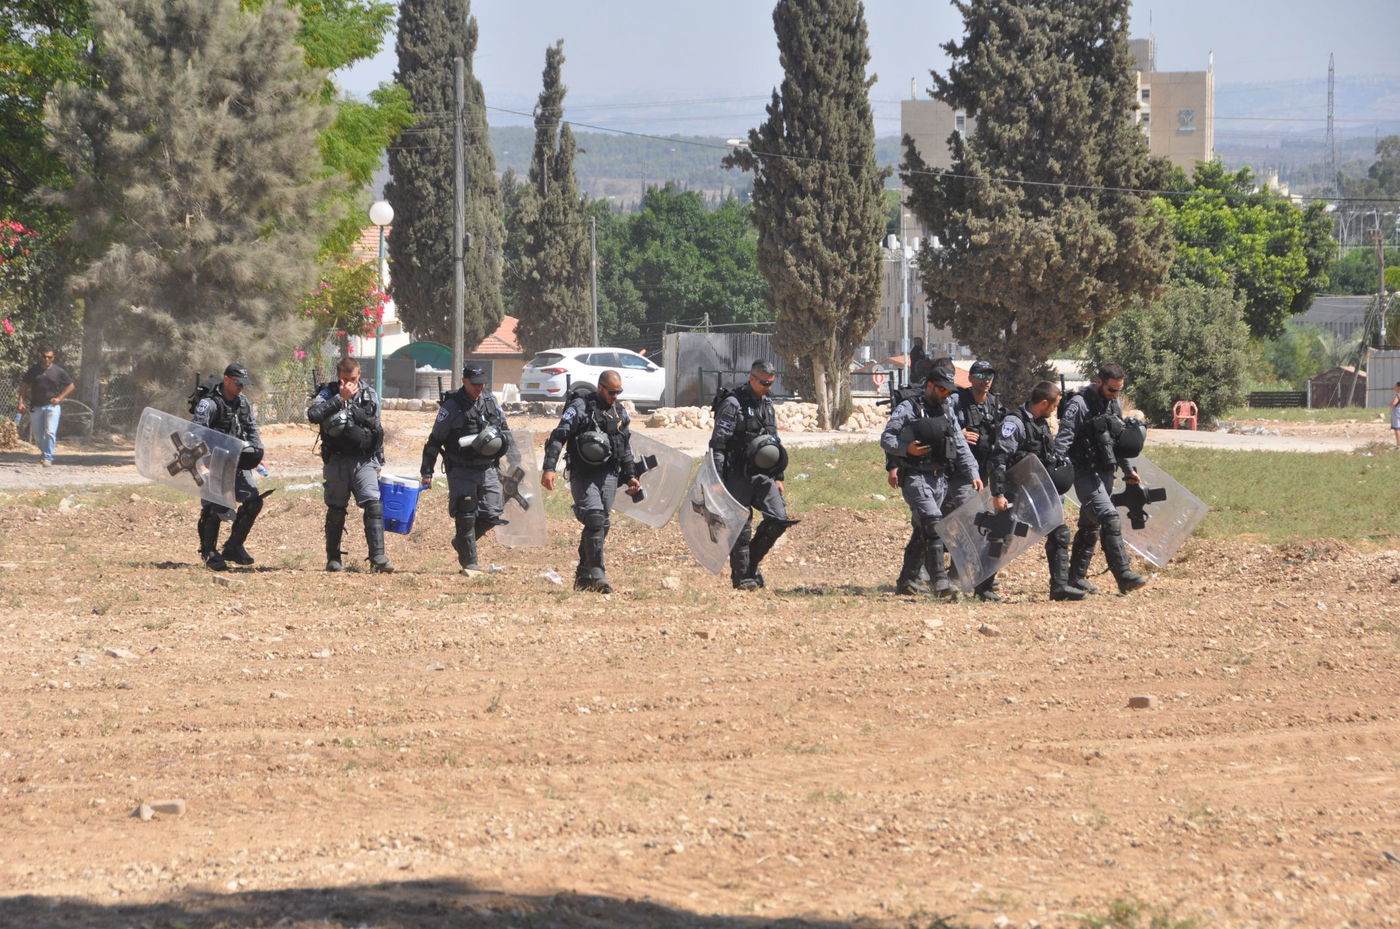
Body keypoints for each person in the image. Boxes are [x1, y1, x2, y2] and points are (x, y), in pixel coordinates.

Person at [881, 365, 981, 599]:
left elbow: (959, 443)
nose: (946, 395)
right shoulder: (909, 408)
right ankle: (940, 584)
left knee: (922, 530)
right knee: (934, 525)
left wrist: (973, 473)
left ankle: (906, 581)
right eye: (942, 390)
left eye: (949, 391)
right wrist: (907, 449)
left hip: (940, 480)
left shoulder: (946, 410)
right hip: (916, 477)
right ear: (930, 386)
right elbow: (887, 438)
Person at [1053, 361, 1148, 594]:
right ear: (1098, 382)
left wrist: (1128, 470)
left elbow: (1118, 441)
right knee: (1110, 517)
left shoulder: (1113, 404)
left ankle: (1075, 578)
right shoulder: (1079, 404)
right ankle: (1123, 575)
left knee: (1090, 524)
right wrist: (1055, 472)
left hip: (1106, 471)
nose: (1115, 394)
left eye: (1119, 390)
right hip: (1085, 473)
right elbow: (1064, 440)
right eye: (1111, 389)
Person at [541, 369, 639, 593]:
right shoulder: (580, 407)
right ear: (600, 387)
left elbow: (625, 448)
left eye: (618, 392)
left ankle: (583, 575)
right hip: (583, 473)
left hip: (609, 474)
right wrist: (549, 468)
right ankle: (598, 575)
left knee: (601, 524)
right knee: (594, 519)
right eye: (611, 392)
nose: (615, 396)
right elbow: (559, 437)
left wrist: (631, 475)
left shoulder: (619, 412)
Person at [988, 380, 1085, 601]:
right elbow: (999, 459)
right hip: (1013, 491)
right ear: (1043, 402)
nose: (1055, 410)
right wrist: (998, 493)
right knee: (1001, 536)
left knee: (1059, 532)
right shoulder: (1014, 423)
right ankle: (983, 586)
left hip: (1036, 491)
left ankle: (1059, 587)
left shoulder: (1040, 423)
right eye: (1054, 405)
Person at [709, 360, 798, 591]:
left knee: (778, 519)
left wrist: (779, 477)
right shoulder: (732, 403)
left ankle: (751, 565)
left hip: (762, 474)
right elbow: (718, 445)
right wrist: (717, 480)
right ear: (752, 378)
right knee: (741, 526)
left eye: (771, 383)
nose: (768, 387)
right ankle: (742, 577)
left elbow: (774, 441)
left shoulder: (767, 404)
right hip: (736, 473)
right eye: (764, 383)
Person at [421, 364, 514, 575]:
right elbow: (435, 441)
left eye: (482, 384)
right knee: (466, 513)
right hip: (461, 469)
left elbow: (505, 431)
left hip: (488, 468)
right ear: (464, 381)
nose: (479, 388)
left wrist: (513, 457)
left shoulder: (491, 402)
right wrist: (427, 472)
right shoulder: (451, 407)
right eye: (475, 384)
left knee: (492, 513)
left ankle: (461, 541)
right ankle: (470, 562)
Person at [308, 357, 393, 573]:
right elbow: (314, 414)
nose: (349, 383)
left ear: (359, 375)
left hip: (363, 459)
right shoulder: (328, 392)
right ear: (339, 377)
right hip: (336, 459)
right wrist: (340, 399)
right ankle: (333, 558)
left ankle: (378, 557)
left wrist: (379, 462)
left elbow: (377, 429)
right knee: (336, 507)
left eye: (353, 379)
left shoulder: (368, 393)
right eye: (345, 379)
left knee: (373, 503)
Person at [193, 363, 265, 571]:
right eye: (238, 383)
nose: (242, 387)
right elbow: (195, 435)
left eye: (244, 384)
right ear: (226, 380)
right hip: (213, 461)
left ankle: (233, 546)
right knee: (214, 507)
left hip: (237, 459)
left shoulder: (243, 402)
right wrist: (201, 465)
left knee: (253, 501)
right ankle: (209, 552)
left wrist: (256, 451)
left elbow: (251, 428)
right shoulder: (209, 404)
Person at [946, 359, 1005, 600]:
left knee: (974, 526)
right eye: (980, 375)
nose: (986, 379)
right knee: (972, 524)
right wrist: (958, 433)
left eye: (989, 374)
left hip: (985, 474)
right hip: (961, 475)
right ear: (970, 378)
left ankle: (959, 575)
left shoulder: (995, 403)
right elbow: (942, 423)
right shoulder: (957, 401)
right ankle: (964, 577)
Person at [17, 347, 75, 467]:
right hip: (36, 406)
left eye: (49, 357)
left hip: (52, 406)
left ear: (53, 358)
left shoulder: (58, 371)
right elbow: (24, 385)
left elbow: (70, 386)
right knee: (38, 434)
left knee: (50, 432)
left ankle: (48, 457)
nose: (46, 359)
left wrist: (59, 398)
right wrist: (20, 402)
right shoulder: (34, 369)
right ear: (41, 357)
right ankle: (44, 451)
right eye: (44, 356)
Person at [1390, 382, 1400, 446]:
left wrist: (1390, 405)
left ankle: (1398, 444)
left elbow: (1393, 404)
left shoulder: (1398, 395)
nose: (1394, 387)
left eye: (1395, 386)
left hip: (1397, 413)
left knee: (1397, 428)